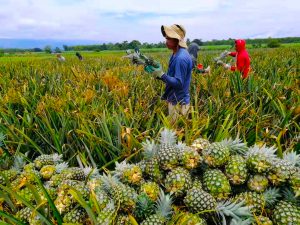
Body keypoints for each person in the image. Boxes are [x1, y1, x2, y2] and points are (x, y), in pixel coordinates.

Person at [144, 24, 193, 123]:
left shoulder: (180, 58)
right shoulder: (176, 53)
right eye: (166, 38)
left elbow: (179, 83)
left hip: (179, 103)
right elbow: (172, 78)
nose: (166, 41)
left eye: (169, 39)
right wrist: (158, 74)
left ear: (177, 39)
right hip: (175, 99)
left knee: (177, 134)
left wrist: (162, 75)